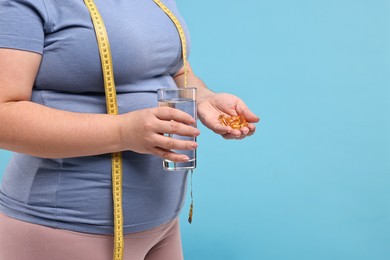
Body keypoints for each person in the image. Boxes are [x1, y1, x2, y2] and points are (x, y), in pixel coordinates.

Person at [0, 0, 259, 259]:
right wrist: (124, 132)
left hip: (161, 226)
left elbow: (173, 67)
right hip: (67, 227)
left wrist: (202, 96)